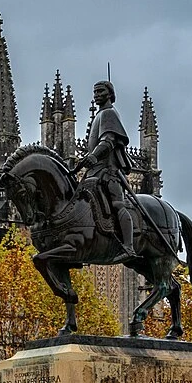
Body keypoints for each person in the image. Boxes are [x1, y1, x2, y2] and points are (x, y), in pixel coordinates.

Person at [80, 80, 137, 261]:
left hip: (108, 172)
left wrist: (94, 156)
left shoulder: (109, 113)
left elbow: (108, 140)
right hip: (94, 172)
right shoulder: (100, 115)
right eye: (94, 91)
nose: (96, 94)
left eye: (100, 91)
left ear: (110, 93)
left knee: (118, 204)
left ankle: (128, 247)